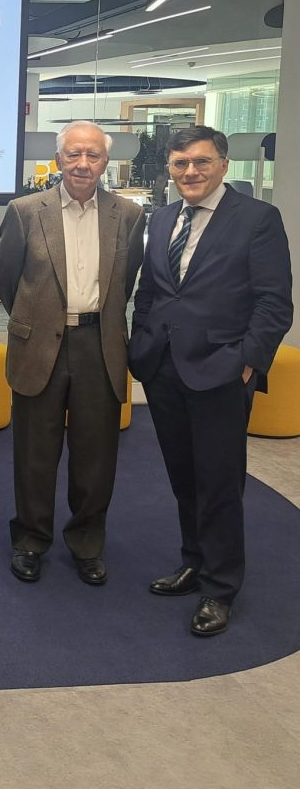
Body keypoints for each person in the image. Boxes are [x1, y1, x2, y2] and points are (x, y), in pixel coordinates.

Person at [129, 126, 292, 636]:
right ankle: (194, 561)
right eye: (180, 165)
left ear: (222, 165)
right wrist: (142, 347)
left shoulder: (258, 220)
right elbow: (153, 290)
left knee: (219, 482)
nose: (190, 173)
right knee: (184, 478)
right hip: (164, 367)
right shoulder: (162, 217)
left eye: (200, 162)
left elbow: (274, 301)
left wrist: (247, 360)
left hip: (221, 371)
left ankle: (220, 587)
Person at [0, 121, 145, 587]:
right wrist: (34, 321)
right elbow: (6, 279)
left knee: (96, 455)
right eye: (74, 154)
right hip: (39, 345)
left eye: (93, 156)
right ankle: (31, 540)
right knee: (35, 452)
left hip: (100, 345)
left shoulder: (129, 214)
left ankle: (86, 542)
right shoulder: (24, 211)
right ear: (59, 160)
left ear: (106, 162)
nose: (83, 164)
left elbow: (128, 280)